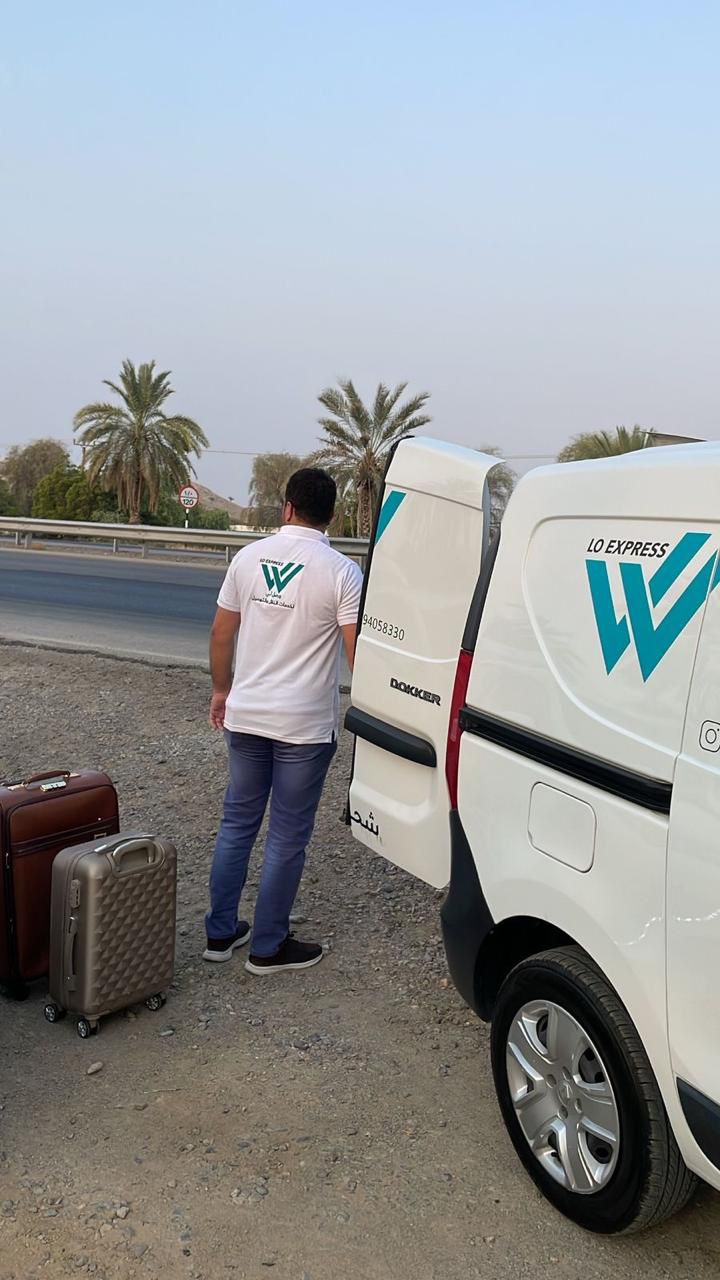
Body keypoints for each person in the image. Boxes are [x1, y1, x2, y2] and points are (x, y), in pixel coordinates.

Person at [204, 467, 362, 974]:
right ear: (331, 515)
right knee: (287, 836)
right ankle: (268, 947)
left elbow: (221, 634)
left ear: (287, 507)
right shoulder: (342, 572)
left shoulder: (247, 558)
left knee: (237, 823)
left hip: (247, 715)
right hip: (305, 727)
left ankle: (220, 933)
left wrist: (222, 691)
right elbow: (356, 653)